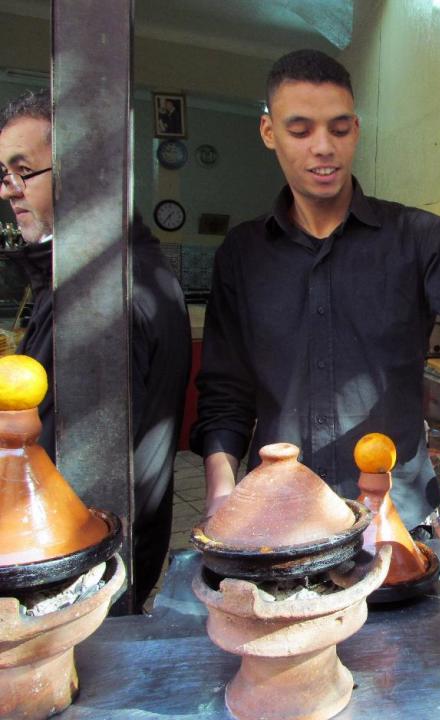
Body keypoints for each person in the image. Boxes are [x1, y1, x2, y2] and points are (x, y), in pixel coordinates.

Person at [190, 49, 440, 528]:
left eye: (338, 129)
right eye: (300, 130)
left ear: (355, 129)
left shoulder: (420, 237)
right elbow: (226, 393)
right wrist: (221, 495)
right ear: (269, 132)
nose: (323, 147)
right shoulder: (242, 254)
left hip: (400, 515)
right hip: (279, 515)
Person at [0, 88, 192, 611]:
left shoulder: (105, 299)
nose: (10, 190)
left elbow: (70, 465)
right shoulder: (94, 276)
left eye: (23, 171)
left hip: (76, 574)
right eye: (4, 174)